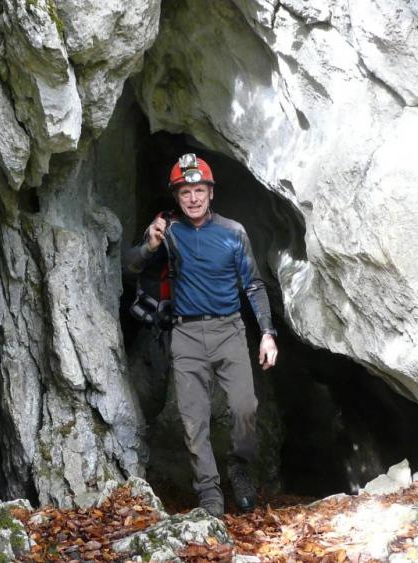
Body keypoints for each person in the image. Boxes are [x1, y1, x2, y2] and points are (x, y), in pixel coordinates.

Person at [124, 153, 279, 517]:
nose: (192, 198)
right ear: (176, 197)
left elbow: (254, 285)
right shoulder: (170, 231)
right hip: (186, 333)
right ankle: (209, 493)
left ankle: (240, 467)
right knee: (194, 418)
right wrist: (149, 244)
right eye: (185, 192)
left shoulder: (233, 232)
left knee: (245, 407)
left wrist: (267, 333)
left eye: (199, 190)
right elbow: (130, 267)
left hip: (229, 329)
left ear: (210, 192)